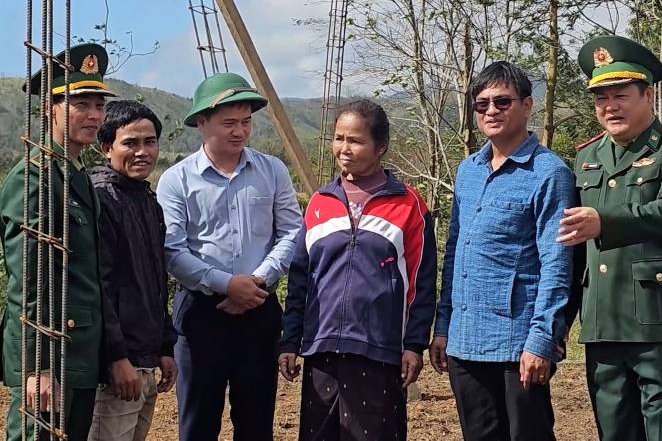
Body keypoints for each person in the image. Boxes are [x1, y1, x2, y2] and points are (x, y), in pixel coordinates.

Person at [558, 35, 662, 440]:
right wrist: (562, 322)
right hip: (603, 320)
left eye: (620, 95)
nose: (610, 107)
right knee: (614, 431)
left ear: (647, 94)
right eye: (601, 98)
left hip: (659, 321)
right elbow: (572, 250)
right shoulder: (586, 156)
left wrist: (603, 222)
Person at [428, 61, 575, 441]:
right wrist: (443, 326)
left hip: (517, 345)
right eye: (482, 104)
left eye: (502, 102)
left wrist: (542, 340)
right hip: (465, 341)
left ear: (527, 105)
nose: (491, 111)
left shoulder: (549, 173)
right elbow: (455, 253)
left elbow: (557, 265)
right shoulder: (468, 171)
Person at [278, 99, 436, 441]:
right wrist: (290, 340)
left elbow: (421, 284)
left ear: (380, 147)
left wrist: (413, 344)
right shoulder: (320, 203)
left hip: (378, 351)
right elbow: (300, 279)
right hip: (321, 351)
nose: (344, 149)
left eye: (355, 140)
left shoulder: (409, 206)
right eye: (338, 138)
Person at [157, 72, 303, 441]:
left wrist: (257, 282)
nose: (239, 131)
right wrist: (226, 284)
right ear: (201, 123)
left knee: (256, 423)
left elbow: (291, 232)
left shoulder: (272, 171)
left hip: (259, 309)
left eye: (246, 122)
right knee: (198, 421)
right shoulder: (176, 180)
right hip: (200, 315)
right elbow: (173, 250)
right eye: (229, 123)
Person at [1, 43, 116, 440]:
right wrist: (37, 366)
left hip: (79, 351)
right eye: (80, 104)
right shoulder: (35, 177)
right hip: (50, 354)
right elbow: (29, 276)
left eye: (99, 105)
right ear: (50, 108)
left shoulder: (77, 174)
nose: (93, 115)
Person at [88, 100, 177, 441]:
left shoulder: (146, 200)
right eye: (131, 143)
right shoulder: (101, 200)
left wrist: (164, 348)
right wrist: (117, 357)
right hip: (117, 369)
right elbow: (100, 287)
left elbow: (156, 282)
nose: (142, 152)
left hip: (144, 359)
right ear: (106, 147)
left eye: (150, 142)